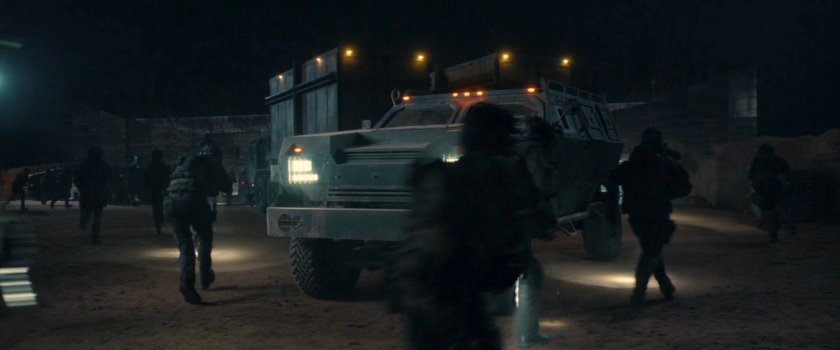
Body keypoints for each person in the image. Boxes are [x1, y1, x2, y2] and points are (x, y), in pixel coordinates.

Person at [388, 103, 528, 349]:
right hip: (450, 289)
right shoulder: (491, 174)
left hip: (418, 287)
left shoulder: (443, 173)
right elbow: (507, 248)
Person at [610, 128, 692, 308]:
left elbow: (613, 177)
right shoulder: (665, 164)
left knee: (651, 249)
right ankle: (640, 289)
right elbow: (685, 186)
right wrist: (666, 193)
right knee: (652, 250)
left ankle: (664, 285)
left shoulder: (634, 163)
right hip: (658, 213)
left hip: (637, 215)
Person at [512, 116, 559, 348]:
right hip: (517, 219)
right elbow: (541, 185)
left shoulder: (512, 147)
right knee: (530, 274)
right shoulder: (532, 150)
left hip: (503, 220)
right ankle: (526, 333)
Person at [165, 142, 230, 304]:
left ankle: (187, 284)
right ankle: (205, 276)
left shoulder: (185, 161)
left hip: (170, 203)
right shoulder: (212, 162)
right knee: (204, 237)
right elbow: (226, 187)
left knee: (185, 244)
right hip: (193, 201)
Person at [748, 143, 796, 242]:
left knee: (768, 208)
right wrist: (786, 182)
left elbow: (751, 175)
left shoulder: (757, 159)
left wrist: (754, 183)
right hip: (776, 184)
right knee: (779, 206)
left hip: (762, 185)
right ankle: (788, 225)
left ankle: (772, 233)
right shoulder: (777, 158)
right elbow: (787, 170)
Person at [74, 147, 112, 244]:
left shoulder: (83, 165)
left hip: (86, 192)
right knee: (97, 216)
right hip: (98, 193)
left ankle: (84, 222)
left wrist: (81, 188)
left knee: (87, 213)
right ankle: (95, 237)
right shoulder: (102, 165)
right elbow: (108, 177)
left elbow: (77, 177)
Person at [143, 149, 171, 235]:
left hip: (155, 190)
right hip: (162, 190)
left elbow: (146, 180)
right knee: (164, 208)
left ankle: (158, 225)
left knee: (156, 209)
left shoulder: (150, 168)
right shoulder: (165, 167)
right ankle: (161, 224)